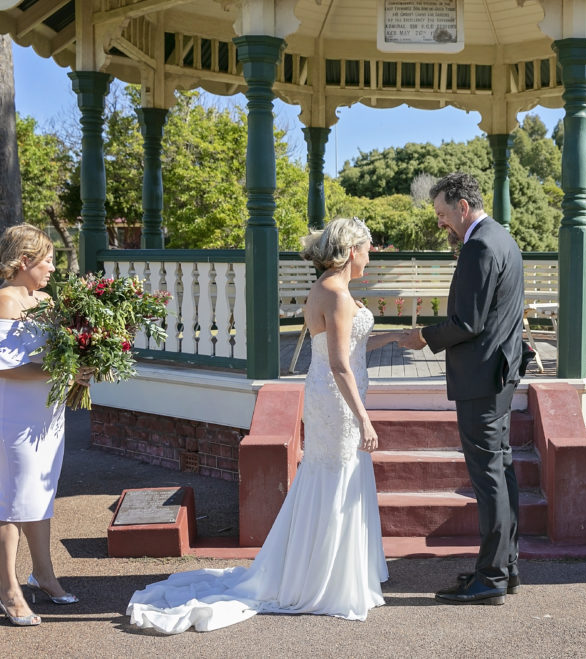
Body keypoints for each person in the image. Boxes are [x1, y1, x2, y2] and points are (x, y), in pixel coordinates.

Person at [127, 218, 400, 632]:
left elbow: (350, 345)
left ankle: (328, 572)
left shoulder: (330, 289)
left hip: (331, 396)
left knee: (333, 477)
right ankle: (323, 582)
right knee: (335, 478)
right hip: (338, 402)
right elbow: (340, 363)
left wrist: (397, 338)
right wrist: (364, 417)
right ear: (349, 250)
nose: (371, 253)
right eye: (367, 246)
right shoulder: (337, 294)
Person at [399, 173, 525, 605]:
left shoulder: (478, 246)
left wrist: (423, 338)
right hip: (500, 377)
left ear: (463, 208)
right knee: (501, 473)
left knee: (488, 479)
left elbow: (467, 323)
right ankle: (505, 569)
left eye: (442, 214)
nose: (440, 224)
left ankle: (489, 578)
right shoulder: (503, 238)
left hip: (481, 381)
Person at [0, 224, 88, 626]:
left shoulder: (46, 302)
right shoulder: (0, 303)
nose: (53, 267)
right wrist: (63, 370)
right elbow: (0, 368)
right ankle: (9, 591)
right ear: (24, 261)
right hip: (13, 418)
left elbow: (58, 354)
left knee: (41, 495)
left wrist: (81, 368)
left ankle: (44, 575)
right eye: (48, 259)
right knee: (15, 501)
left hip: (47, 414)